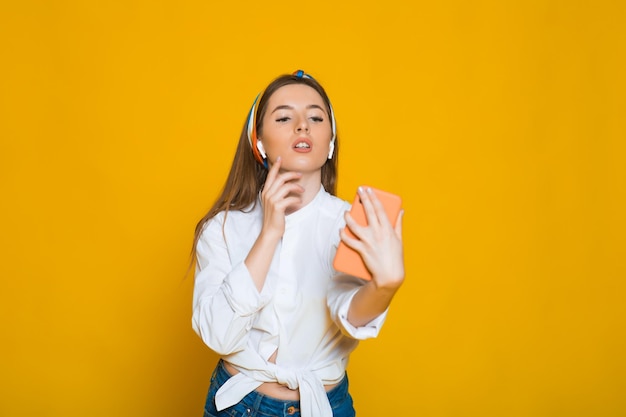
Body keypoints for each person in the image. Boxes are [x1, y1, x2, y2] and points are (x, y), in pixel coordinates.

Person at [191, 70, 405, 417]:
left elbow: (347, 312)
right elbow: (219, 335)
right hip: (238, 406)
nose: (302, 126)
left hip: (323, 406)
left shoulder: (349, 225)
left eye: (316, 117)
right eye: (285, 117)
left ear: (330, 141)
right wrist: (270, 233)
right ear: (257, 142)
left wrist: (385, 287)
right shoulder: (223, 228)